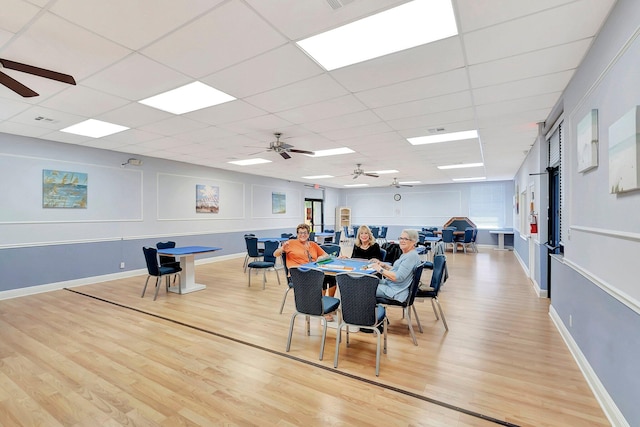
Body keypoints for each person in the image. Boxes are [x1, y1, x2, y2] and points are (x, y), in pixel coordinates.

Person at [274, 223, 336, 318]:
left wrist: (321, 258)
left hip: (312, 273)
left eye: (305, 233)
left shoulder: (313, 244)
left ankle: (328, 307)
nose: (302, 235)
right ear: (297, 234)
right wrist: (282, 248)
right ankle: (322, 310)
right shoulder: (290, 243)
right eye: (300, 233)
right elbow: (275, 254)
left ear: (308, 234)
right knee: (320, 280)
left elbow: (326, 255)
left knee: (331, 278)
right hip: (297, 276)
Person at [370, 229, 421, 303]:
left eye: (406, 239)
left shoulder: (411, 257)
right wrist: (384, 266)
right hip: (393, 286)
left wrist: (380, 269)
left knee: (364, 288)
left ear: (413, 242)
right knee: (367, 281)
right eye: (401, 238)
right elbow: (400, 270)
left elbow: (397, 277)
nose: (402, 241)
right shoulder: (408, 254)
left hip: (395, 291)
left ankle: (364, 313)